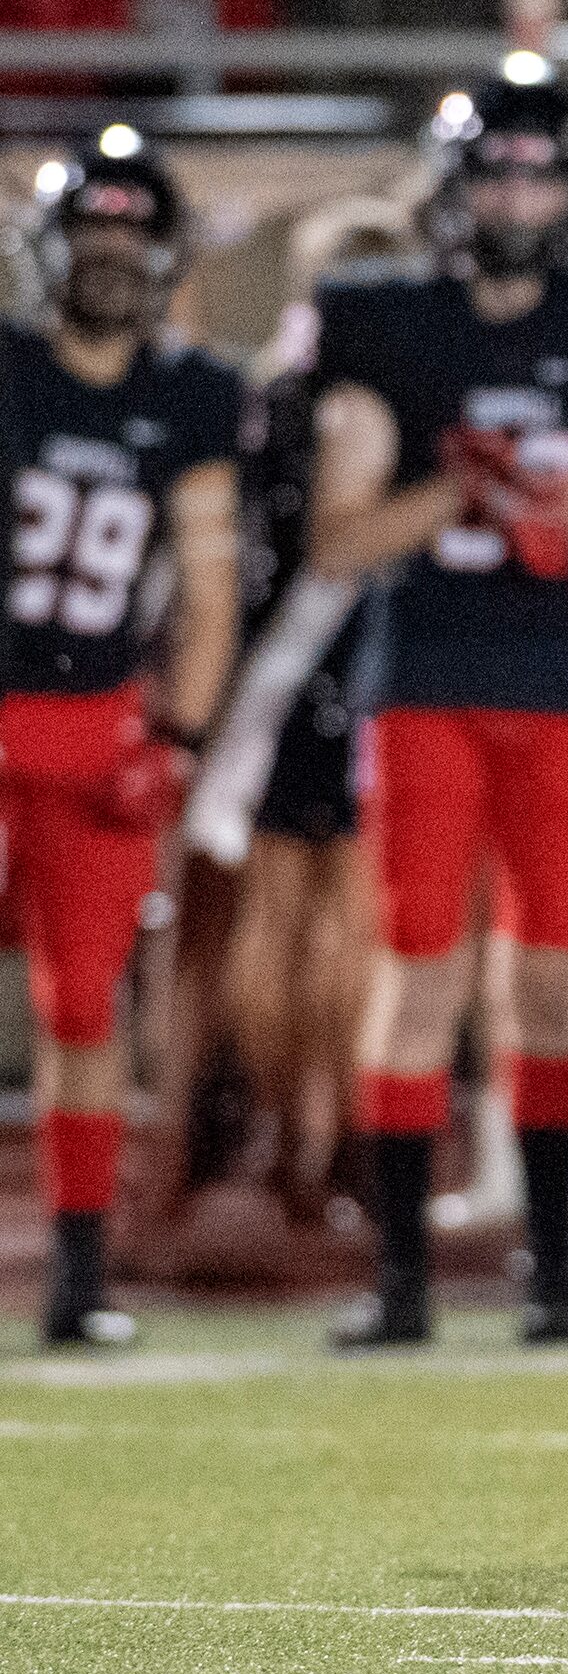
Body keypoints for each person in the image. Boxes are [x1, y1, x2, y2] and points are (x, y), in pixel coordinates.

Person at [309, 71, 568, 1349]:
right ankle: (403, 1279)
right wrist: (448, 490)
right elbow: (338, 543)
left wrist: (543, 497)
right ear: (456, 182)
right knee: (418, 975)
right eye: (495, 171)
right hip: (423, 683)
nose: (514, 194)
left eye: (536, 171)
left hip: (558, 688)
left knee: (553, 986)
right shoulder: (384, 323)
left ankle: (556, 1271)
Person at [1, 134, 242, 1346]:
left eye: (127, 239)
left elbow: (208, 586)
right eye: (88, 236)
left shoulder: (191, 395)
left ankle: (77, 1279)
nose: (107, 261)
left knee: (84, 1008)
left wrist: (182, 733)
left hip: (94, 721)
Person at [184, 198, 411, 1229]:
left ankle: (323, 1134)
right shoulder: (289, 402)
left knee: (330, 941)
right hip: (313, 691)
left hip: (344, 684)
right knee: (293, 942)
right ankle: (300, 1131)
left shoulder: (356, 402)